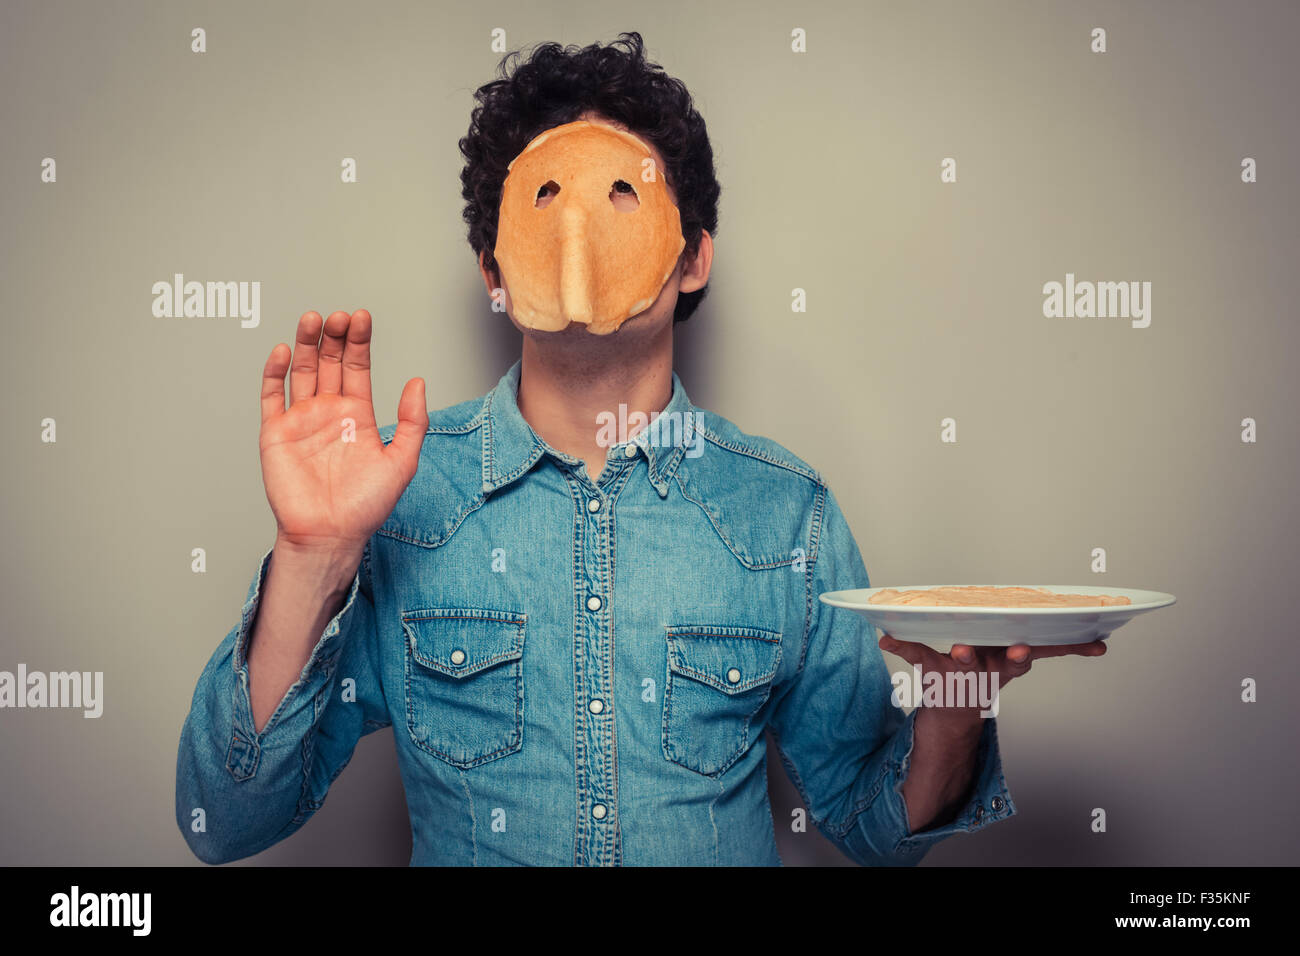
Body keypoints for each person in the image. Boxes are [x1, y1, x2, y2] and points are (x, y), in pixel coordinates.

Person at [175, 32, 1102, 866]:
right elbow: (226, 821)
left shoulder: (785, 513)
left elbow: (873, 823)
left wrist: (953, 704)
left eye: (625, 192)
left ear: (693, 256)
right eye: (545, 199)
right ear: (494, 269)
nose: (581, 229)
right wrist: (313, 557)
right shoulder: (399, 500)